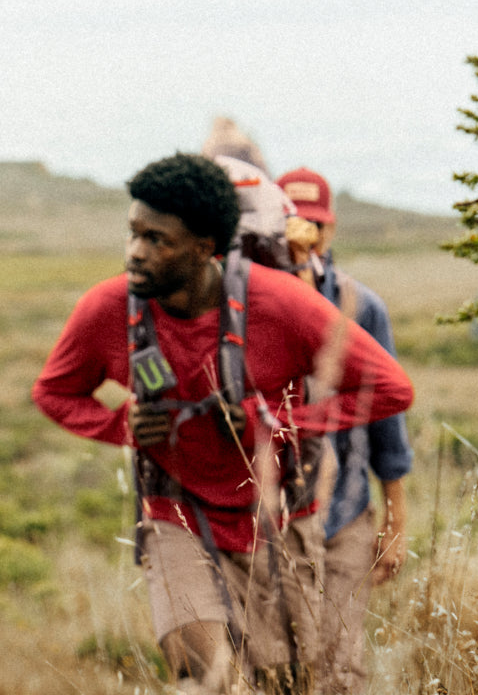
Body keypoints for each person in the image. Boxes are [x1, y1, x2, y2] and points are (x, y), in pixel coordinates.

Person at [31, 154, 413, 694]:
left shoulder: (283, 304)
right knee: (208, 678)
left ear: (205, 245)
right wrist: (122, 425)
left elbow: (392, 389)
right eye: (133, 233)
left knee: (294, 682)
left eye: (156, 240)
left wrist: (277, 422)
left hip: (279, 520)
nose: (135, 252)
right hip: (175, 514)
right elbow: (53, 392)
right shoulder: (107, 308)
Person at [277, 168, 413, 695]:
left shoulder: (362, 307)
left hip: (344, 514)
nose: (306, 236)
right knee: (273, 665)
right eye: (295, 224)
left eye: (316, 225)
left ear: (331, 229)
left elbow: (387, 426)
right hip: (268, 520)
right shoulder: (250, 305)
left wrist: (395, 523)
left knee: (339, 668)